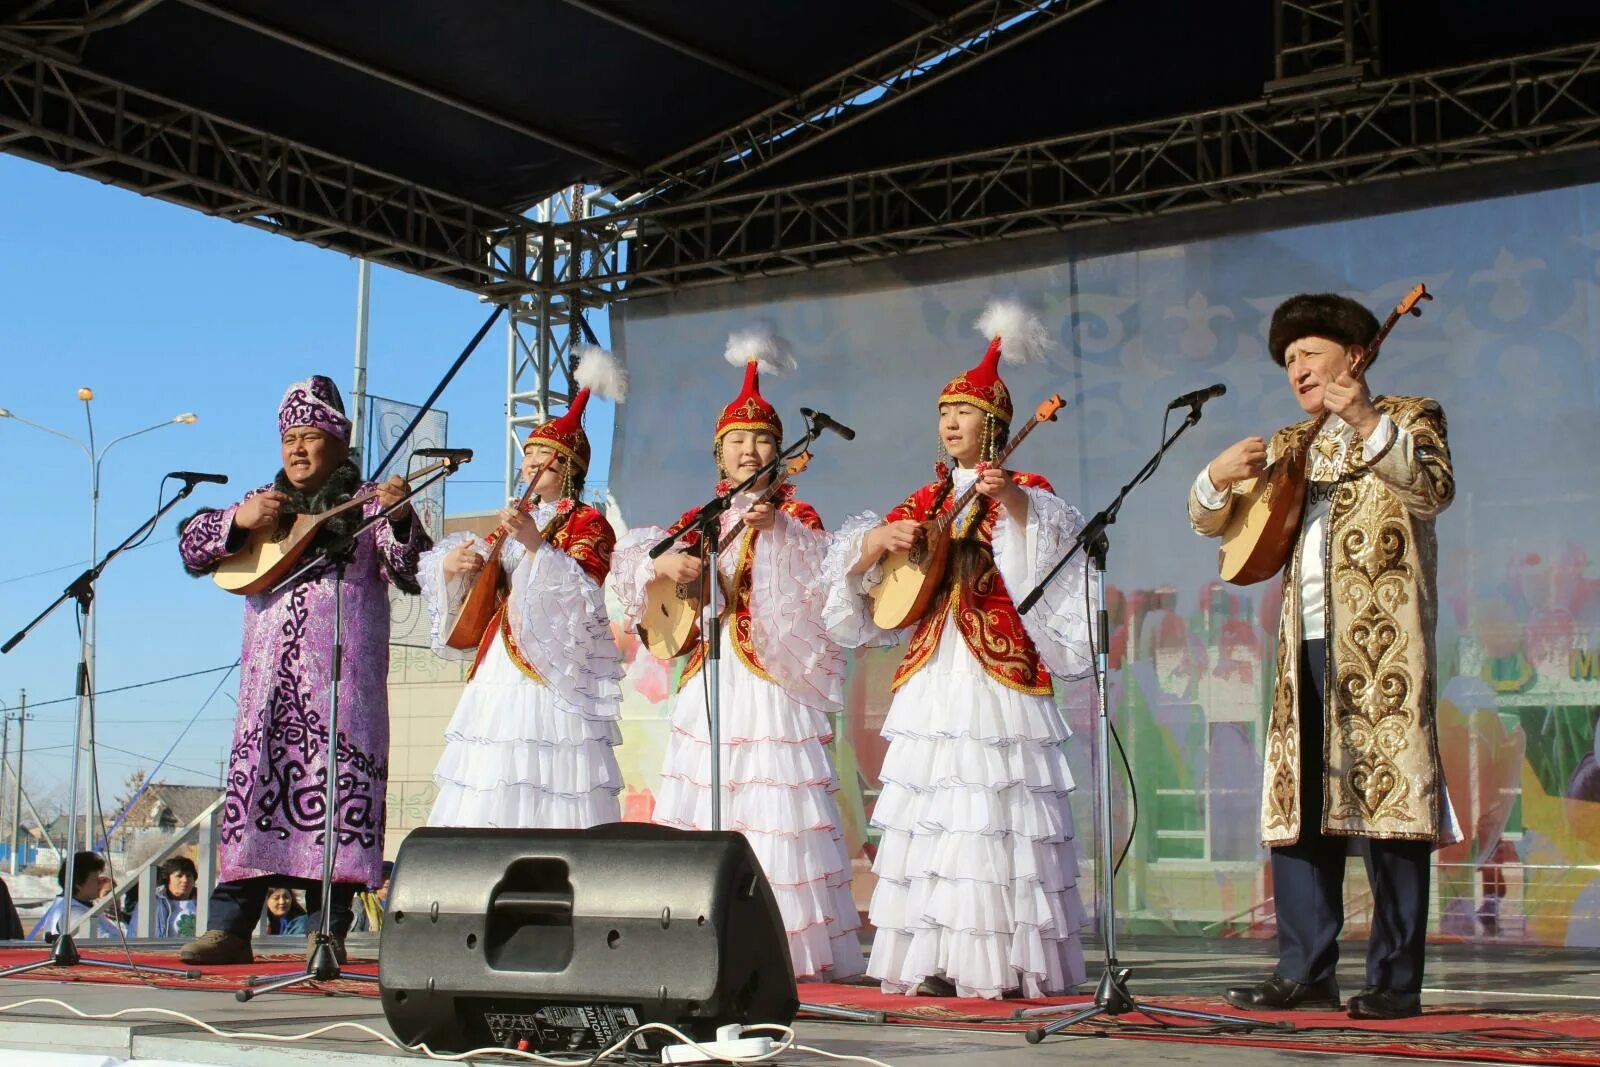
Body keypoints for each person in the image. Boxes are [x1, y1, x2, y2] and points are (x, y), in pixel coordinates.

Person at [1189, 293, 1456, 1021]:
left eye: (1308, 353)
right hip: (1299, 645)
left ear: (1354, 355)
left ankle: (1396, 981)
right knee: (1299, 807)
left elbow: (1433, 489)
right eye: (1288, 361)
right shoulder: (1292, 442)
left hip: (1380, 652)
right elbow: (1215, 522)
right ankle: (1305, 968)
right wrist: (1215, 475)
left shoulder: (1410, 413)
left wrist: (1369, 420)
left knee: (1388, 809)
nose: (1296, 369)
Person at [823, 303, 1093, 1000]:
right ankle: (936, 955)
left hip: (994, 670)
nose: (950, 425)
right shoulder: (930, 493)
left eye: (965, 414)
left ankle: (998, 960)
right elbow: (868, 568)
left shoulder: (1024, 491)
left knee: (990, 800)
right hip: (933, 665)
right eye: (945, 412)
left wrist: (1016, 509)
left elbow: (1052, 549)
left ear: (995, 425)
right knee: (937, 804)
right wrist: (875, 544)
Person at [610, 328, 864, 983]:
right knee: (706, 798)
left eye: (761, 439)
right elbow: (635, 564)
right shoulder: (704, 514)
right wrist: (666, 561)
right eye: (737, 440)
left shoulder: (795, 512)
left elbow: (822, 581)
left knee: (770, 801)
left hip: (768, 683)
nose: (749, 449)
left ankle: (783, 948)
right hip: (708, 677)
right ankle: (699, 936)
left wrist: (775, 533)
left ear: (778, 451)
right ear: (718, 452)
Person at [175, 375, 430, 965]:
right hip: (268, 692)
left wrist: (396, 517)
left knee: (335, 797)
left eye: (310, 436)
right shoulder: (264, 504)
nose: (296, 449)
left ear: (339, 445)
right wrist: (240, 519)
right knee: (256, 789)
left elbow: (410, 565)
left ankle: (327, 930)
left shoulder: (366, 506)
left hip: (341, 690)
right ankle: (231, 927)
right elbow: (193, 546)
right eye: (289, 437)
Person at [419, 346, 626, 829]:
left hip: (555, 670)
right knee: (494, 764)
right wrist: (457, 564)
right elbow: (485, 582)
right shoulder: (515, 522)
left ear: (570, 469)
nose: (532, 464)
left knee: (550, 771)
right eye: (529, 454)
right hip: (503, 661)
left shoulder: (589, 522)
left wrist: (537, 546)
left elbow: (583, 592)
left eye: (547, 459)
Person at [28, 851, 121, 941]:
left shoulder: (75, 905)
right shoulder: (73, 912)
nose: (100, 883)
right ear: (79, 884)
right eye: (95, 879)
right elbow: (105, 940)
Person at [129, 856, 199, 938]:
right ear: (167, 878)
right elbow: (133, 934)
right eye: (179, 876)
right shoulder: (151, 903)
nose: (185, 880)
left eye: (189, 876)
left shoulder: (206, 901)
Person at [352, 861, 392, 933]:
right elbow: (355, 933)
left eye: (391, 876)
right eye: (383, 875)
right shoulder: (361, 900)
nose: (387, 880)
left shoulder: (400, 903)